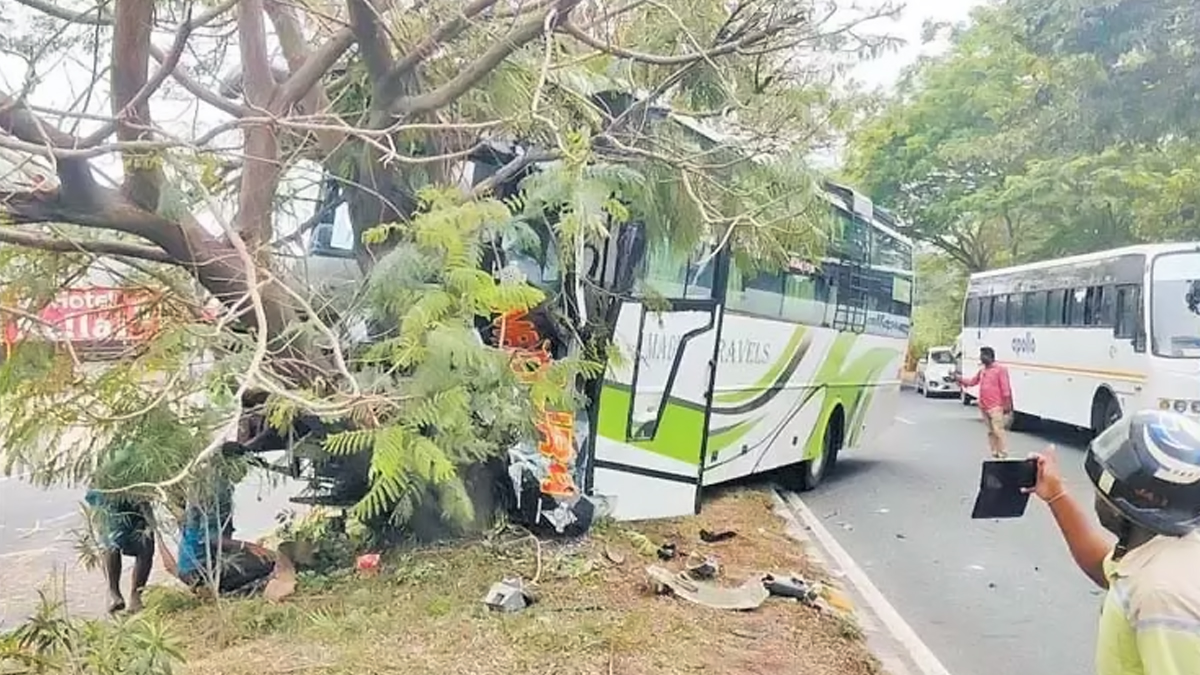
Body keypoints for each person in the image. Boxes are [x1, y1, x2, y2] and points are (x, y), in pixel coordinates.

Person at [1027, 409, 1200, 675]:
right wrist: (1055, 495)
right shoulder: (1161, 551)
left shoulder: (1162, 595)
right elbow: (1104, 570)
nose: (1096, 497)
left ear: (1127, 503)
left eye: (1100, 491)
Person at [83, 489, 155, 613]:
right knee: (112, 544)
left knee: (145, 544)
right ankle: (116, 594)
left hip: (135, 492)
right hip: (109, 495)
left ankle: (135, 596)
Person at [956, 346, 1013, 458]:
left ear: (990, 356)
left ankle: (1003, 452)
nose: (981, 358)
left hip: (996, 405)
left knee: (998, 430)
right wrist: (959, 379)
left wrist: (1007, 405)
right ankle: (995, 451)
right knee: (990, 431)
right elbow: (972, 382)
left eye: (983, 356)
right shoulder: (983, 371)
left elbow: (1006, 389)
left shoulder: (1000, 370)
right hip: (984, 406)